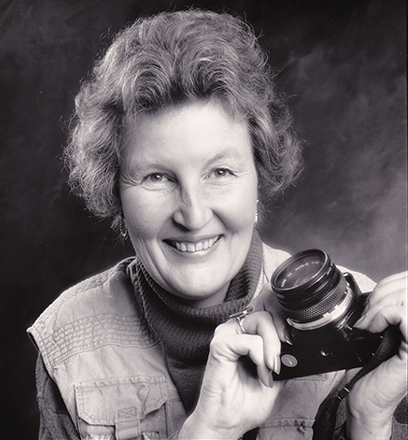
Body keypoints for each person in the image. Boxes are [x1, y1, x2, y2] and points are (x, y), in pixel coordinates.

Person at [27, 9, 407, 440]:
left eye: (220, 172)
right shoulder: (70, 342)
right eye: (157, 177)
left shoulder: (359, 324)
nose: (193, 215)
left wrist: (370, 420)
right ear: (115, 194)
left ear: (259, 180)